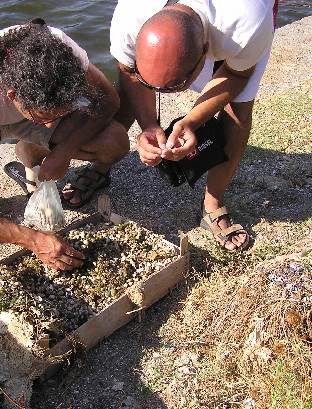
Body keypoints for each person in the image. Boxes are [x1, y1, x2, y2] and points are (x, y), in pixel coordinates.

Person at [0, 19, 129, 270]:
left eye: (56, 116)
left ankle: (31, 149)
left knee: (114, 143)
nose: (51, 126)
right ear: (13, 96)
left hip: (31, 111)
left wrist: (64, 151)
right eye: (45, 119)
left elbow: (108, 100)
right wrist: (33, 240)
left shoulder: (63, 56)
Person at [110, 0, 278, 251]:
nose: (162, 94)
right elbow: (129, 74)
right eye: (152, 84)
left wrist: (192, 120)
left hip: (235, 22)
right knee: (124, 91)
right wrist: (148, 125)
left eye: (176, 87)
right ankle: (101, 165)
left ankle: (213, 203)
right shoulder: (128, 18)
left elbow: (238, 74)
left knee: (238, 110)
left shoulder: (246, 24)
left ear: (206, 50)